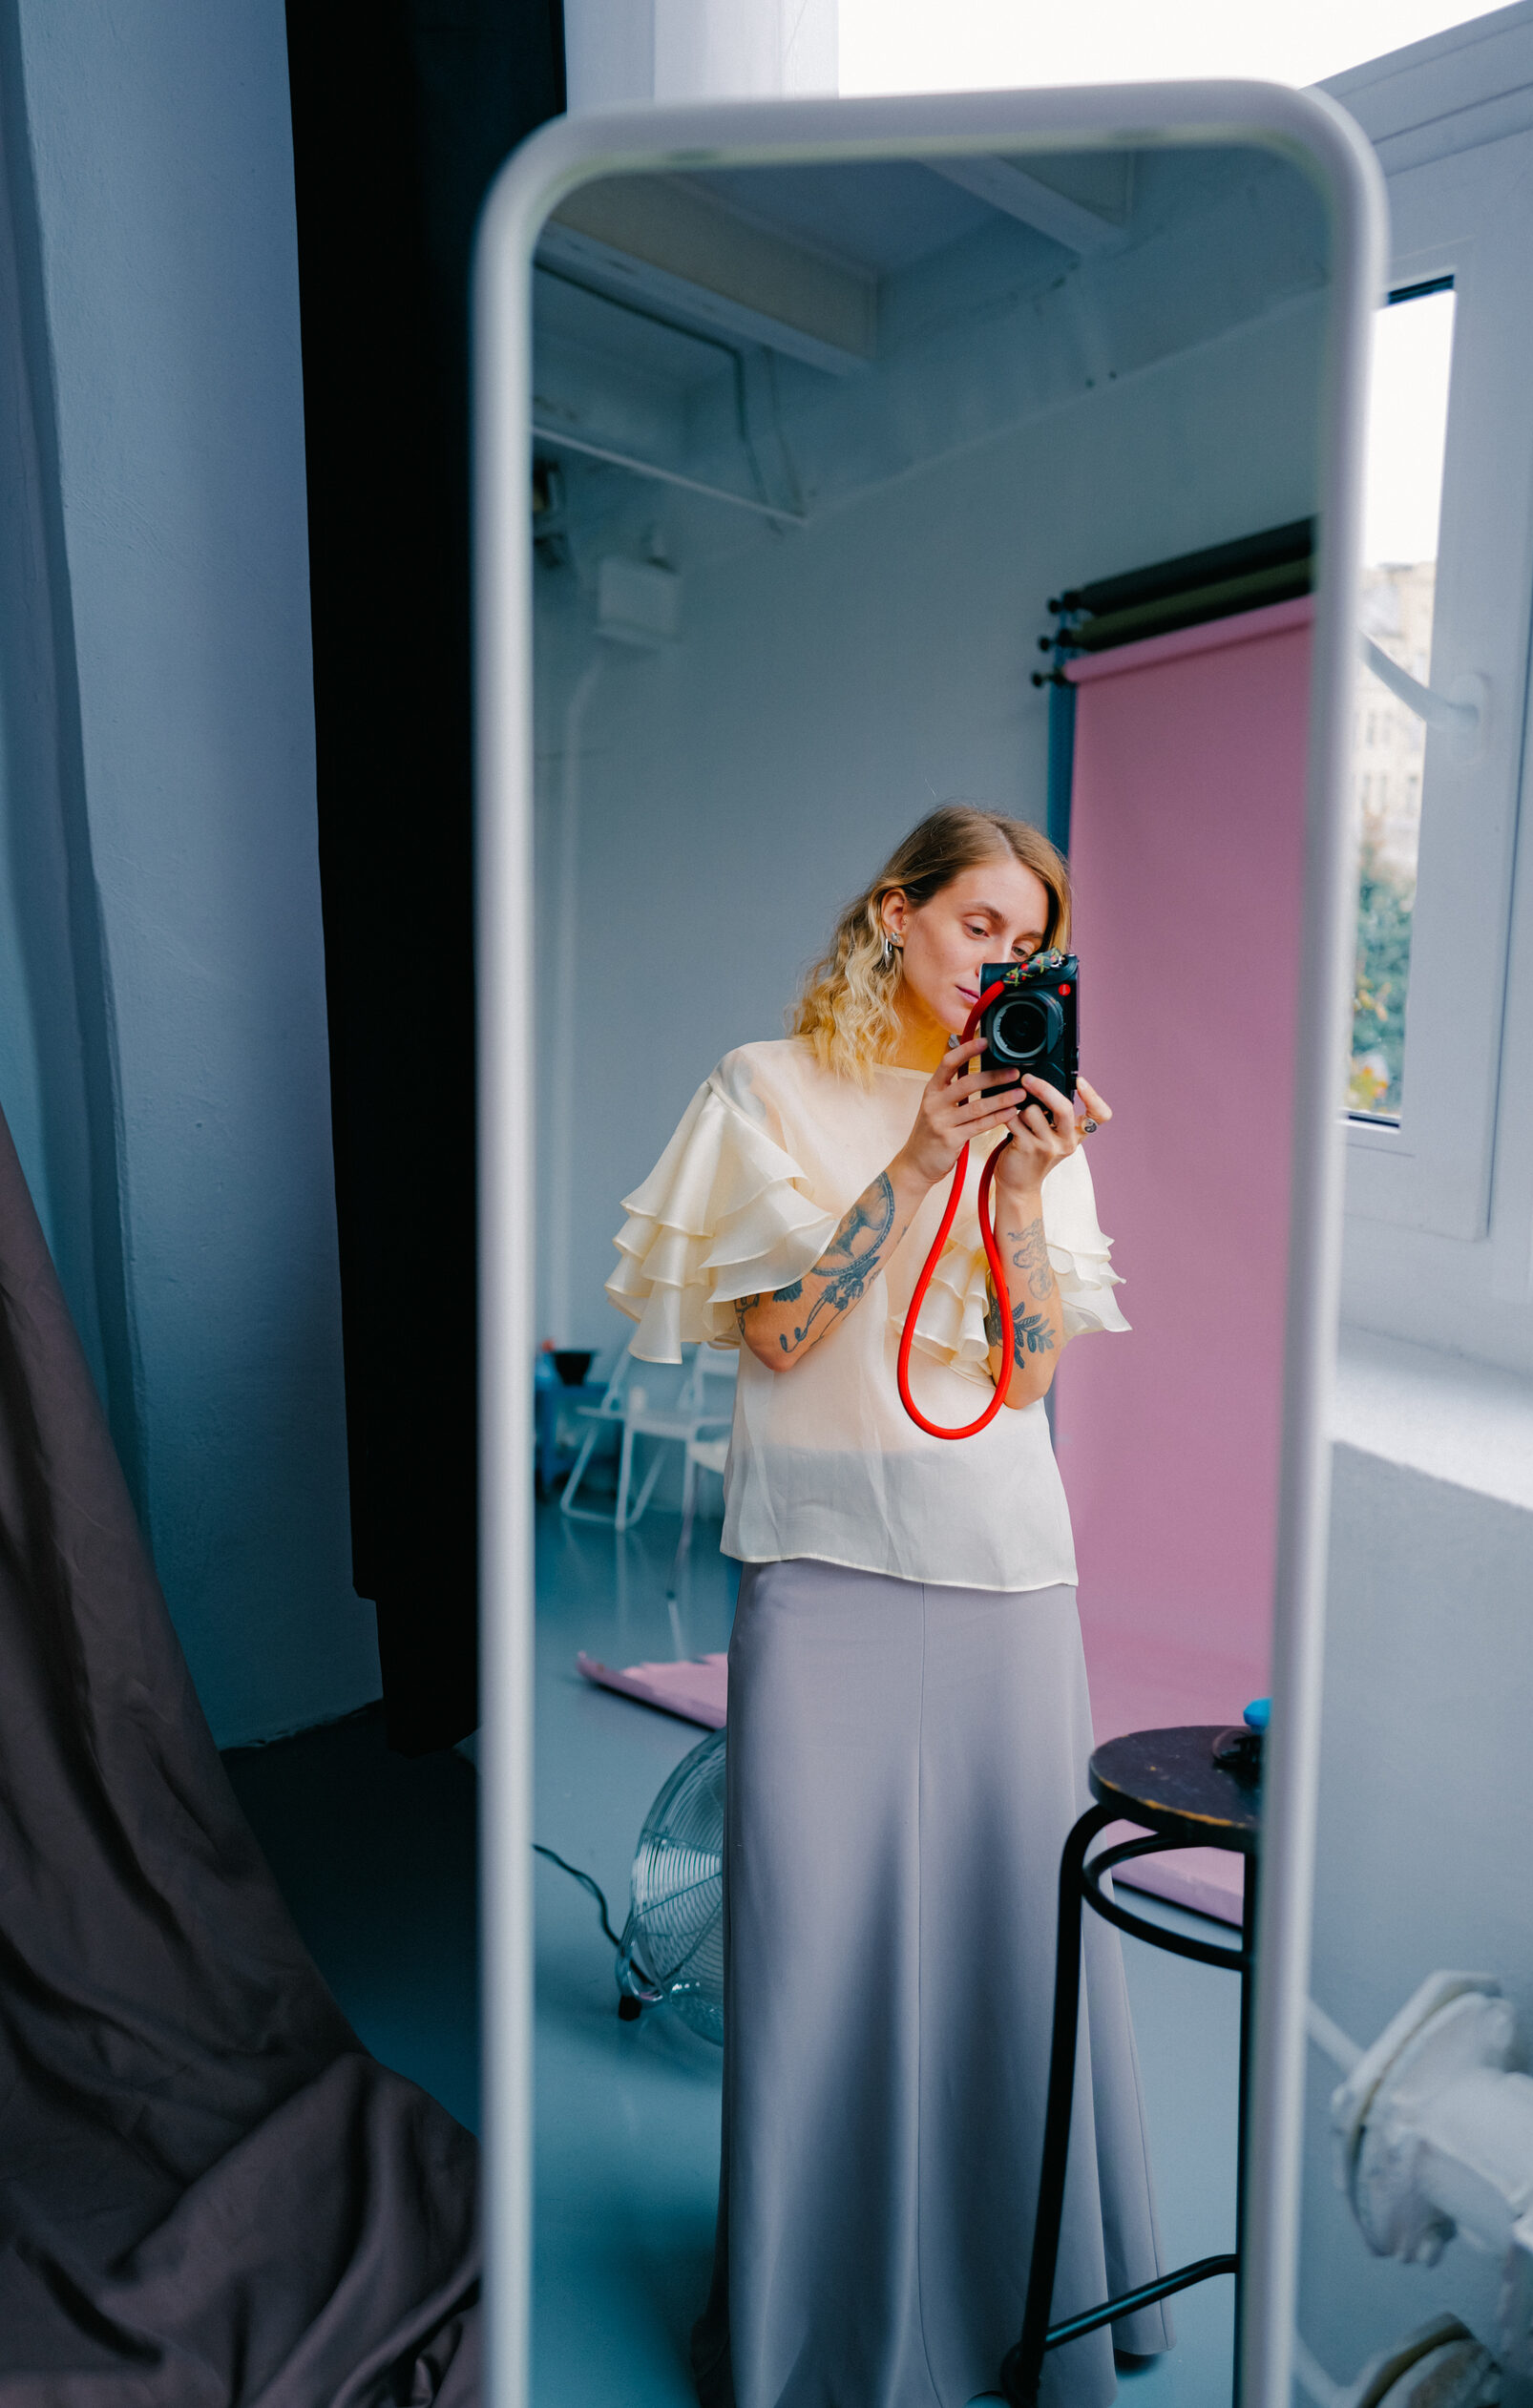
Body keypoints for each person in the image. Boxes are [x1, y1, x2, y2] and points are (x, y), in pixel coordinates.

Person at [606, 804, 1171, 2408]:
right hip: (822, 1564)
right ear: (894, 917)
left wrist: (1015, 1190)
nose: (1006, 960)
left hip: (1004, 1567)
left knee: (1011, 1935)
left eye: (1031, 941)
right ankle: (811, 2319)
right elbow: (780, 1336)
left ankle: (1021, 2302)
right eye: (981, 925)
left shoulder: (1037, 1112)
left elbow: (1029, 1376)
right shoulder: (763, 1086)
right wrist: (918, 1158)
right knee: (815, 1942)